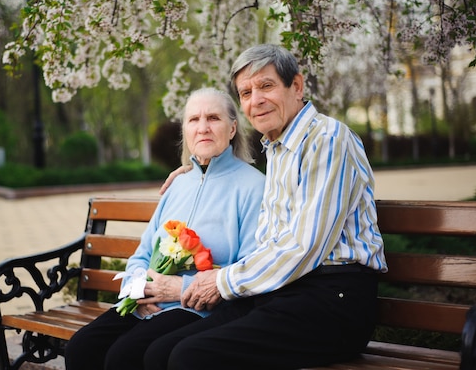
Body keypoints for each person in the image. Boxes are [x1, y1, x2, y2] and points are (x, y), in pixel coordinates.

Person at [144, 44, 388, 370]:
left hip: (334, 300)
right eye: (245, 93)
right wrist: (198, 167)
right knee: (159, 353)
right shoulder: (276, 147)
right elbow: (271, 243)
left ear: (297, 86)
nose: (254, 100)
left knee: (191, 357)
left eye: (266, 86)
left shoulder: (326, 139)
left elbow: (305, 245)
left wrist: (222, 281)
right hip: (284, 291)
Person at [64, 87, 265, 370]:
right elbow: (142, 254)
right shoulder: (178, 185)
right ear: (185, 130)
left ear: (232, 128)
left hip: (198, 310)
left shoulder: (253, 187)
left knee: (123, 356)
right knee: (82, 348)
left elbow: (249, 269)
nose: (203, 127)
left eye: (213, 118)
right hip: (147, 303)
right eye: (193, 120)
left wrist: (179, 288)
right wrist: (138, 292)